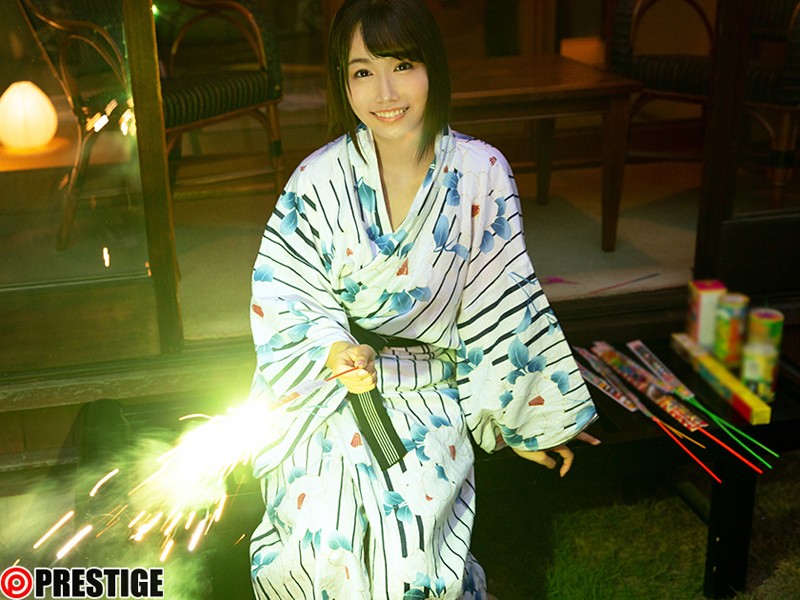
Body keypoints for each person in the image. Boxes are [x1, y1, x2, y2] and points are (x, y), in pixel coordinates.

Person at [247, 1, 599, 597]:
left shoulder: (481, 170)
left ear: (433, 67)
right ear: (343, 82)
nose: (385, 92)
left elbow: (502, 300)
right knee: (319, 537)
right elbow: (284, 290)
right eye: (363, 72)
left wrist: (534, 419)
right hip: (327, 391)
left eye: (402, 65)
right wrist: (334, 349)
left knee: (413, 555)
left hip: (425, 390)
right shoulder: (317, 178)